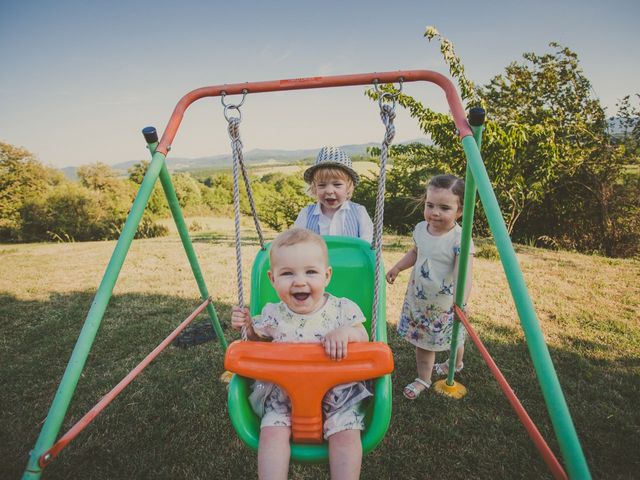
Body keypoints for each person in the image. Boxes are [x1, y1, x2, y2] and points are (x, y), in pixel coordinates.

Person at [231, 228, 371, 480]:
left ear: (326, 276)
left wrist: (346, 333)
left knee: (346, 436)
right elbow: (256, 340)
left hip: (338, 395)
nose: (299, 281)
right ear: (272, 279)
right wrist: (248, 327)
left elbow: (364, 337)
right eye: (287, 273)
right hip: (284, 396)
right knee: (272, 433)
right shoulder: (274, 313)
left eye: (310, 272)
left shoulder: (342, 309)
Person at [386, 174, 474, 400]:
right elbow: (416, 253)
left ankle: (456, 362)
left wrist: (460, 302)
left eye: (444, 208)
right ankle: (424, 378)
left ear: (460, 211)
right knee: (424, 344)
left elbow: (463, 272)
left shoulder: (459, 239)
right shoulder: (420, 229)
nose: (434, 212)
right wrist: (397, 267)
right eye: (430, 205)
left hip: (445, 304)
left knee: (455, 337)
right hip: (419, 299)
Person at [294, 146, 373, 243]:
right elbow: (296, 243)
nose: (329, 191)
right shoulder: (306, 214)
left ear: (348, 187)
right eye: (322, 185)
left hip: (350, 258)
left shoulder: (359, 212)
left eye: (337, 184)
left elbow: (369, 243)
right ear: (314, 188)